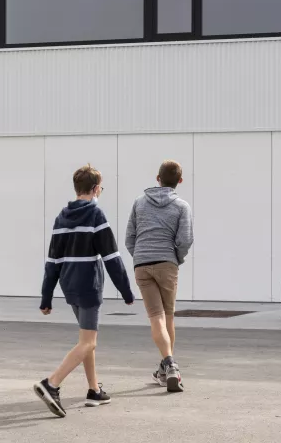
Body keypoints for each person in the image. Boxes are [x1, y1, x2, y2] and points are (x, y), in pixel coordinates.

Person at [34, 164, 134, 417]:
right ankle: (51, 383)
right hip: (89, 285)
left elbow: (52, 262)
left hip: (69, 284)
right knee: (89, 341)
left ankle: (93, 390)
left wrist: (46, 297)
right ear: (95, 188)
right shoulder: (95, 215)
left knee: (86, 341)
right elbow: (112, 257)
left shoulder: (61, 217)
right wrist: (126, 291)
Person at [125, 159, 193, 393]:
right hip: (167, 264)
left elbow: (129, 237)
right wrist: (175, 258)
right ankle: (171, 365)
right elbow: (185, 240)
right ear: (180, 181)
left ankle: (165, 368)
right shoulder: (182, 206)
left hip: (142, 265)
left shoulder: (139, 203)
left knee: (156, 318)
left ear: (157, 178)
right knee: (168, 317)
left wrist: (140, 256)